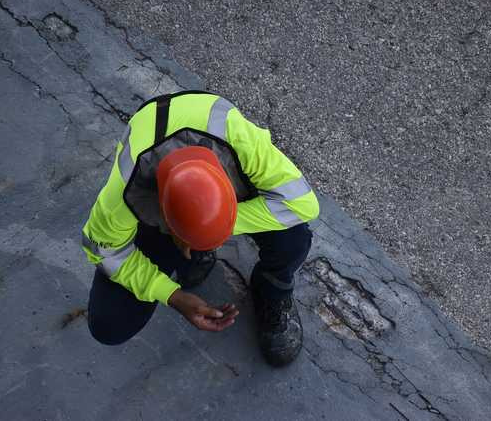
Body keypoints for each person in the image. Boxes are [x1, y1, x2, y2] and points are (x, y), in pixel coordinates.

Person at [81, 90, 319, 366]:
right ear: (163, 219)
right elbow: (104, 250)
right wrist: (173, 295)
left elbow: (304, 204)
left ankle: (271, 288)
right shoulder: (123, 194)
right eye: (189, 237)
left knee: (294, 239)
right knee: (109, 324)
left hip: (215, 202)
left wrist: (218, 227)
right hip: (165, 213)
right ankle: (188, 251)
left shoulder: (243, 145)